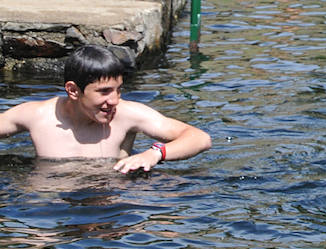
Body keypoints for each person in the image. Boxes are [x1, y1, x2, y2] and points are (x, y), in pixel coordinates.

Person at [0, 45, 211, 170]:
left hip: (111, 206)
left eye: (118, 90)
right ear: (73, 90)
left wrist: (154, 154)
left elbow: (199, 138)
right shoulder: (36, 116)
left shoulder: (128, 115)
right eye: (104, 92)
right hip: (49, 209)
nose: (114, 100)